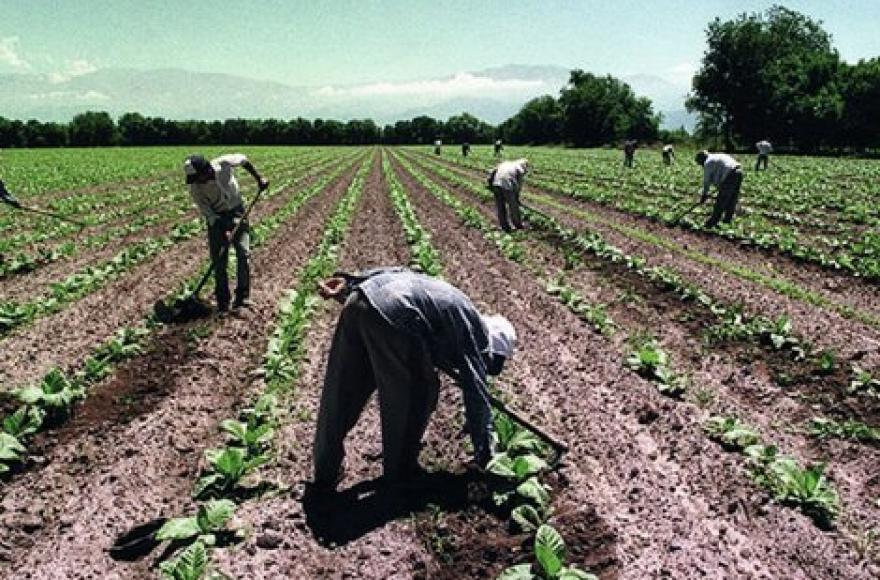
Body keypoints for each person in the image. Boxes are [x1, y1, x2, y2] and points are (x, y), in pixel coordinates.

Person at [311, 267, 516, 490]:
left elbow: (399, 272)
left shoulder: (453, 305)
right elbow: (477, 393)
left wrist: (349, 284)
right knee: (418, 393)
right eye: (492, 364)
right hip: (394, 315)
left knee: (342, 392)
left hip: (359, 300)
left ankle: (325, 472)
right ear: (492, 349)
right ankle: (401, 473)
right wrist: (487, 456)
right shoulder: (474, 330)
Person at [184, 153, 268, 312]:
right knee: (219, 260)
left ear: (206, 170)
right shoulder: (195, 187)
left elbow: (244, 160)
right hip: (216, 218)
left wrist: (259, 179)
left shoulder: (223, 164)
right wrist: (222, 225)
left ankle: (242, 299)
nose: (197, 182)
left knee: (243, 253)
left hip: (237, 211)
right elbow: (207, 212)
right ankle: (223, 301)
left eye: (198, 177)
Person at [694, 150, 743, 228]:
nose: (701, 165)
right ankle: (727, 221)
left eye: (700, 163)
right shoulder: (717, 156)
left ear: (702, 159)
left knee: (721, 200)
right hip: (739, 172)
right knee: (732, 199)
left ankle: (712, 222)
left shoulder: (708, 162)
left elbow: (707, 181)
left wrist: (704, 195)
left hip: (730, 175)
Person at [487, 158, 529, 233]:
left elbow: (492, 172)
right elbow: (518, 185)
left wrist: (490, 184)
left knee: (500, 207)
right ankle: (518, 225)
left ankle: (504, 226)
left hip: (496, 184)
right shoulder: (519, 168)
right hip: (507, 185)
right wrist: (516, 197)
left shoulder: (505, 163)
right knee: (513, 206)